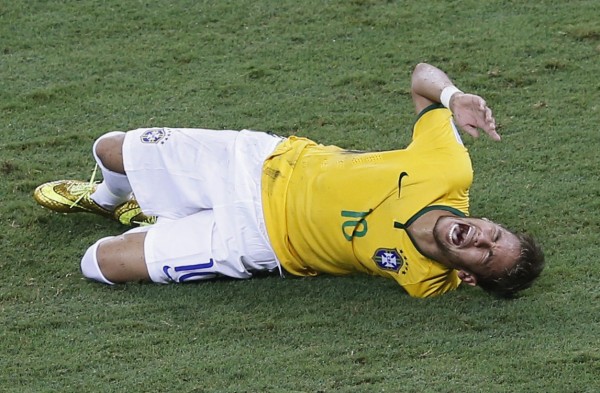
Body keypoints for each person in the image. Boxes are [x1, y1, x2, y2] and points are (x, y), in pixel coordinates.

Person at [34, 63, 544, 298]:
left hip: (259, 242)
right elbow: (420, 77)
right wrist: (454, 97)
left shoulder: (428, 281)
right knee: (111, 148)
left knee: (98, 263)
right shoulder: (448, 170)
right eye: (494, 232)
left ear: (468, 276)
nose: (481, 237)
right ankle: (107, 201)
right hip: (261, 163)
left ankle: (153, 218)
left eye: (484, 254)